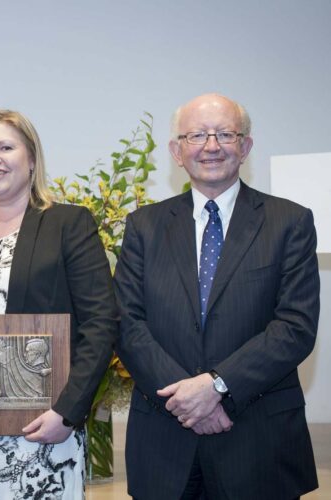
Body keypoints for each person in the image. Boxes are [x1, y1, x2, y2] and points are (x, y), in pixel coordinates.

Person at [115, 93, 320, 499]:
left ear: (245, 146)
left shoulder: (289, 222)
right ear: (176, 151)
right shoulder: (144, 225)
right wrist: (189, 397)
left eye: (225, 133)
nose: (211, 146)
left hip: (258, 442)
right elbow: (125, 322)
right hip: (164, 443)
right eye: (197, 135)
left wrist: (218, 386)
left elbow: (295, 327)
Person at [0, 109, 117, 499]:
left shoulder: (68, 224)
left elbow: (101, 322)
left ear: (31, 160)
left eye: (6, 147)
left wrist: (68, 412)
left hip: (41, 430)